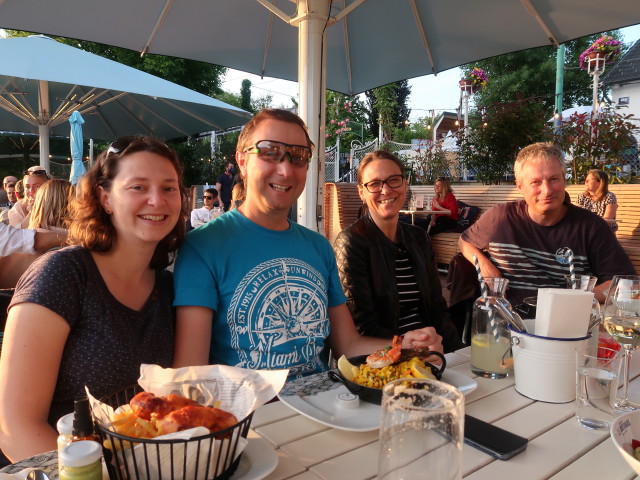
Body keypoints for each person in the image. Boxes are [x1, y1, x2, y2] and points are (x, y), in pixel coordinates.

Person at [172, 109, 443, 378]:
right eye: (269, 152)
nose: (286, 170)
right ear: (241, 160)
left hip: (324, 405)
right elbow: (191, 372)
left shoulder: (318, 247)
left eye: (299, 157)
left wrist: (404, 346)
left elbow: (348, 345)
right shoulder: (203, 246)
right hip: (249, 415)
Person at [0, 136, 187, 463]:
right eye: (138, 187)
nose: (157, 200)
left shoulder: (169, 288)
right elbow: (14, 427)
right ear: (105, 197)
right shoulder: (63, 274)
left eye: (168, 188)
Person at [457, 142, 635, 307]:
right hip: (507, 322)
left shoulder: (591, 227)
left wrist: (576, 299)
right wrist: (485, 265)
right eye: (535, 182)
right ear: (520, 186)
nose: (547, 190)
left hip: (563, 325)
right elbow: (465, 241)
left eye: (554, 179)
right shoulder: (499, 217)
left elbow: (624, 284)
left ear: (564, 180)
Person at [333, 151, 463, 352]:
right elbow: (363, 326)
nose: (385, 190)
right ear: (361, 192)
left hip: (431, 351)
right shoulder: (351, 242)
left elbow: (437, 307)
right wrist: (412, 348)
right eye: (374, 184)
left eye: (394, 180)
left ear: (404, 184)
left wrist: (455, 353)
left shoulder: (419, 238)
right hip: (386, 357)